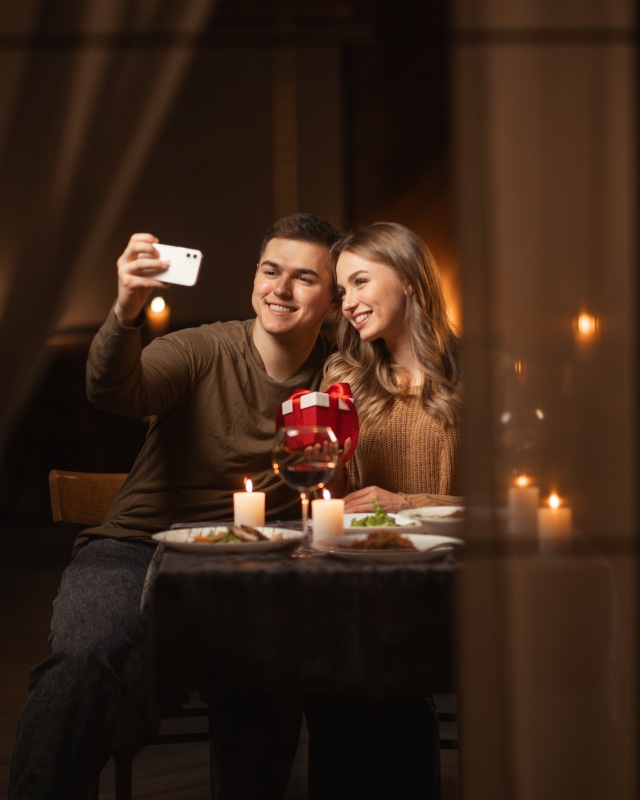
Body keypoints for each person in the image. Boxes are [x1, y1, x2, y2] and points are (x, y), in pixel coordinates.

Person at [8, 212, 341, 800]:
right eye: (270, 271)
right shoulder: (203, 347)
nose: (280, 290)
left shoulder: (343, 377)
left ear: (334, 300)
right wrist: (126, 310)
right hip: (136, 547)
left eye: (304, 278)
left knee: (265, 674)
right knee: (85, 658)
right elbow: (114, 390)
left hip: (250, 564)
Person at [305, 221, 463, 800]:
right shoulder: (343, 377)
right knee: (337, 657)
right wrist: (320, 462)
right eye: (340, 291)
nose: (346, 304)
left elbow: (506, 506)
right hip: (362, 575)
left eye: (360, 282)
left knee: (368, 657)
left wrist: (406, 504)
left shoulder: (473, 375)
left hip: (447, 575)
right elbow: (330, 498)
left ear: (411, 280)